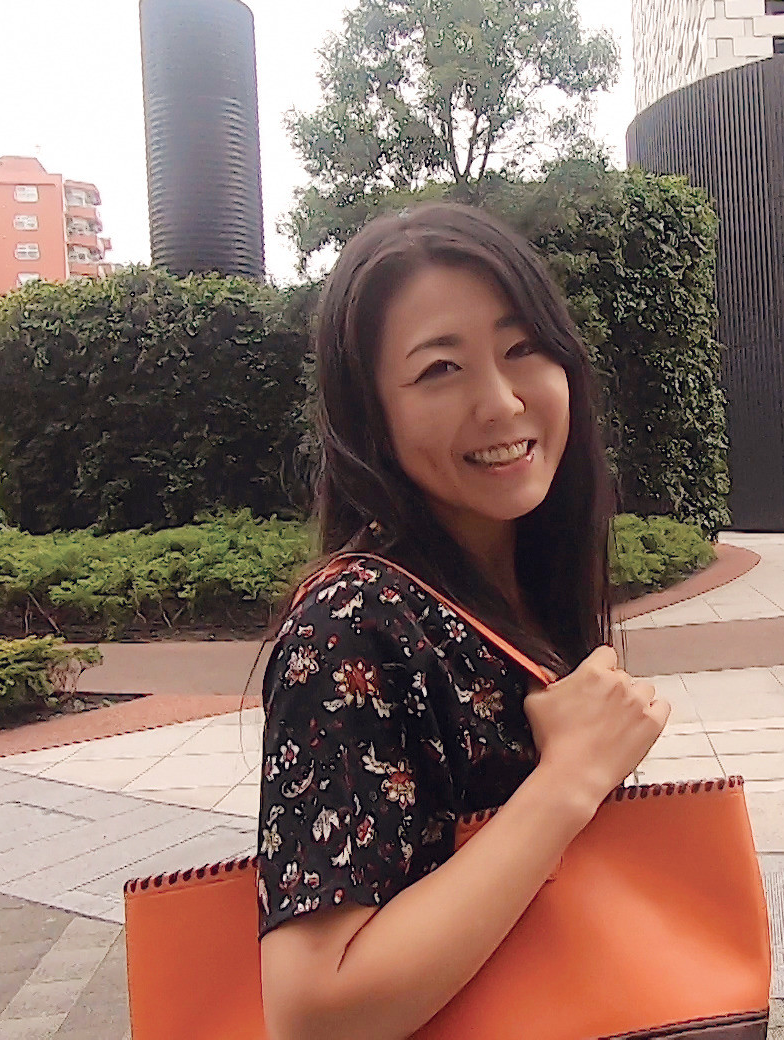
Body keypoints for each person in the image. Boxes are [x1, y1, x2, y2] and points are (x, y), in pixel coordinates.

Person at [256, 203, 672, 1040]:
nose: (501, 401)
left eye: (522, 349)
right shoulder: (352, 627)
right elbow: (311, 1014)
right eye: (440, 369)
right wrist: (568, 780)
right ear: (371, 417)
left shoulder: (515, 597)